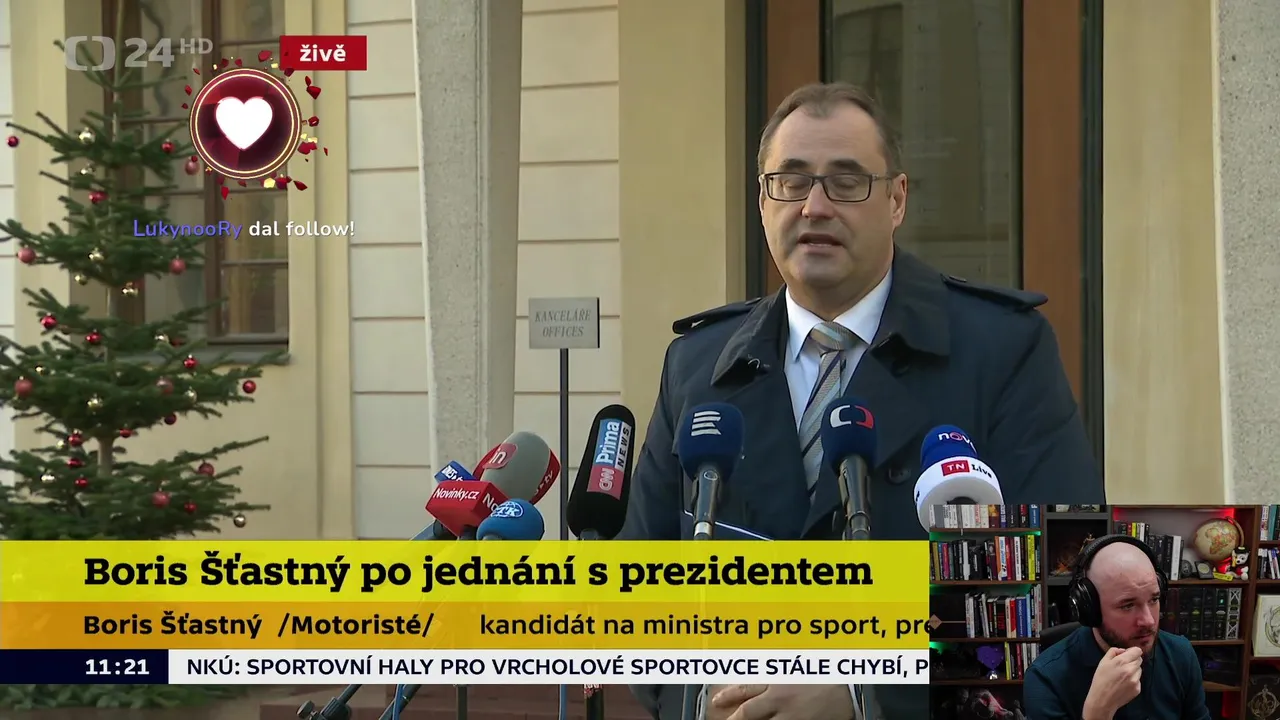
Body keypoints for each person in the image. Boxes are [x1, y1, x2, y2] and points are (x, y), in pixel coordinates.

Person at [620, 81, 1104, 720]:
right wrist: (699, 698)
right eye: (791, 181)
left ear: (897, 200)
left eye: (846, 183)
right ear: (763, 200)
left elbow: (1061, 588)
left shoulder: (1002, 350)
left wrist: (864, 695)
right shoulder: (698, 366)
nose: (814, 206)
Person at [1025, 535, 1210, 719]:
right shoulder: (1045, 679)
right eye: (1127, 605)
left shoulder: (1181, 654)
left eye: (1154, 599)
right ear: (1090, 609)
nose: (1149, 621)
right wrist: (1099, 712)